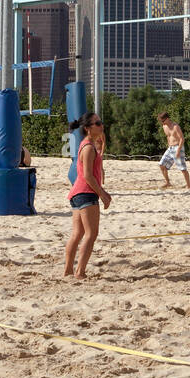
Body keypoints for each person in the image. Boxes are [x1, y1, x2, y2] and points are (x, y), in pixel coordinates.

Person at [65, 114, 111, 280]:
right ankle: (80, 272)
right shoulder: (88, 147)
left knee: (77, 233)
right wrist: (103, 194)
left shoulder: (87, 145)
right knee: (91, 234)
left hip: (77, 193)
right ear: (87, 128)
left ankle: (68, 271)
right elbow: (88, 176)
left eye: (101, 122)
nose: (101, 125)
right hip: (86, 192)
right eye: (97, 123)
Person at [157, 112, 190, 188]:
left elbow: (182, 139)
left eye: (163, 120)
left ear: (167, 119)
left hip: (178, 147)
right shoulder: (164, 126)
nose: (162, 122)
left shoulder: (175, 127)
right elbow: (168, 136)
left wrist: (178, 150)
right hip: (170, 148)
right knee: (161, 165)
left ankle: (188, 185)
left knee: (182, 168)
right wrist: (169, 146)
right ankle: (168, 182)